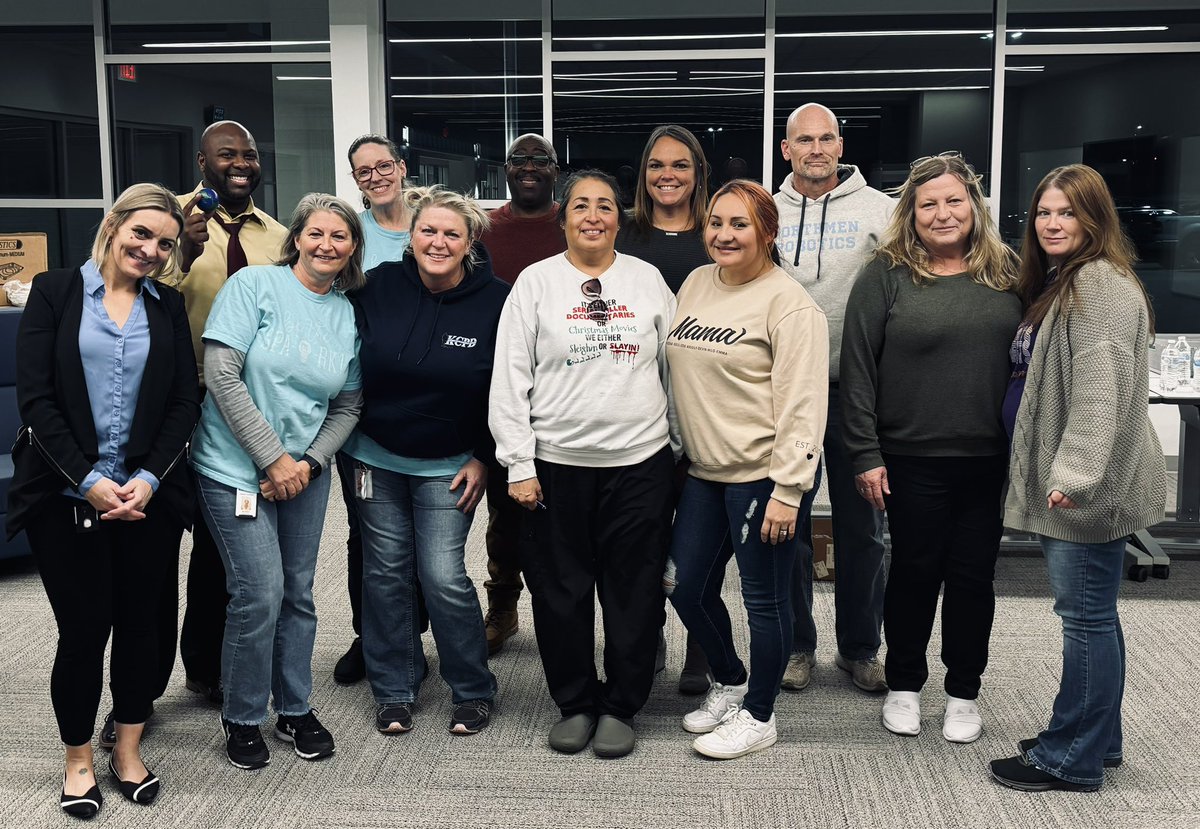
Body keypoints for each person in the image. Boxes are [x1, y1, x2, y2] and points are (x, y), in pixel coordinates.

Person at [7, 183, 201, 817]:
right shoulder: (55, 291)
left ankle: (127, 746)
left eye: (164, 243)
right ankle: (78, 759)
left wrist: (146, 478)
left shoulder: (166, 306)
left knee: (143, 627)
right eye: (141, 234)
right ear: (114, 225)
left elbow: (181, 402)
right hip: (66, 494)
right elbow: (36, 400)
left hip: (147, 495)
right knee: (85, 629)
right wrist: (90, 479)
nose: (150, 250)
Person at [990, 165, 1168, 792]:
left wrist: (1075, 475)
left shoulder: (1098, 286)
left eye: (1067, 212)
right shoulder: (1068, 281)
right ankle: (1099, 738)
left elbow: (1101, 393)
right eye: (1044, 212)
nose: (1052, 223)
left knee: (1085, 618)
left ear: (1096, 219)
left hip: (1084, 489)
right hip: (1071, 482)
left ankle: (1070, 758)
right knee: (1095, 615)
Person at [490, 169, 677, 759]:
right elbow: (508, 379)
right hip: (554, 466)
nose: (593, 215)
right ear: (563, 217)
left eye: (604, 206)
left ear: (619, 217)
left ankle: (622, 704)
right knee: (560, 590)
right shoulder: (535, 283)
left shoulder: (646, 280)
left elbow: (676, 372)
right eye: (580, 206)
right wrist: (517, 464)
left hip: (639, 463)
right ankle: (575, 702)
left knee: (634, 589)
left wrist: (676, 449)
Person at [840, 152, 1022, 743]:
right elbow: (858, 369)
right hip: (909, 458)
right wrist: (864, 452)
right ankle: (904, 685)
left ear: (974, 205)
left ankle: (964, 692)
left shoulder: (1009, 274)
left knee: (973, 578)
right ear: (910, 214)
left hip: (986, 460)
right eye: (928, 204)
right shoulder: (886, 275)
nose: (942, 213)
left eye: (953, 200)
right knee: (915, 571)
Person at [190, 193, 364, 770]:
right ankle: (242, 717)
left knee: (298, 594)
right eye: (317, 233)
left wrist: (308, 465)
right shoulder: (254, 286)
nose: (327, 245)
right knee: (258, 593)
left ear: (353, 249)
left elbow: (348, 404)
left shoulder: (346, 312)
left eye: (340, 237)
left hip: (304, 476)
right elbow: (220, 372)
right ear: (297, 238)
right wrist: (272, 460)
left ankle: (294, 707)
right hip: (233, 469)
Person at [667, 180, 829, 760]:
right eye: (716, 222)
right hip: (704, 473)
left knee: (764, 599)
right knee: (685, 587)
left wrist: (790, 489)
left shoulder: (790, 304)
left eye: (739, 224)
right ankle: (731, 679)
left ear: (768, 231)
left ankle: (760, 713)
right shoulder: (695, 282)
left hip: (764, 476)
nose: (724, 234)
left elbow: (804, 404)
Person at [343, 185, 507, 736]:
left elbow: (508, 388)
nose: (438, 242)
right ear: (410, 237)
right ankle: (395, 686)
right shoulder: (375, 285)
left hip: (451, 464)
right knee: (386, 576)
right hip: (373, 458)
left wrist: (485, 457)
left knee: (442, 576)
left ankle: (473, 687)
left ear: (470, 242)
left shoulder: (497, 301)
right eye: (427, 231)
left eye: (451, 234)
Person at [159, 120, 288, 712]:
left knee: (222, 542)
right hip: (171, 402)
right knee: (161, 541)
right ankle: (143, 684)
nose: (240, 163)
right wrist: (181, 247)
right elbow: (144, 294)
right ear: (201, 162)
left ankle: (208, 666)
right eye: (226, 154)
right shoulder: (166, 224)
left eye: (249, 153)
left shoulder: (279, 238)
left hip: (241, 407)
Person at [774, 102, 896, 695]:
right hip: (785, 394)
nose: (816, 149)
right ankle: (799, 646)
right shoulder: (764, 212)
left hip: (859, 393)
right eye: (805, 140)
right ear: (786, 149)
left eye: (827, 139)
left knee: (864, 527)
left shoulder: (884, 213)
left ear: (841, 146)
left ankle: (860, 648)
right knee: (788, 524)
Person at [615, 124, 714, 693]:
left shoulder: (717, 234)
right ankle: (643, 641)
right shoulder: (623, 237)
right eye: (657, 165)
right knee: (642, 541)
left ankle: (700, 650)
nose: (668, 175)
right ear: (644, 174)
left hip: (707, 411)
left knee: (699, 542)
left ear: (698, 172)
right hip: (638, 413)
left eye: (681, 164)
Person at [475, 133, 566, 658]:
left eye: (540, 160)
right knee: (505, 513)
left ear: (556, 170)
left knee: (559, 512)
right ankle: (503, 606)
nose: (529, 167)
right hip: (500, 386)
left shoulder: (572, 224)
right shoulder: (485, 229)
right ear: (505, 169)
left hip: (563, 390)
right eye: (519, 160)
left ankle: (560, 606)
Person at [332, 134, 415, 685]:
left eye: (384, 165)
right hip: (360, 405)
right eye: (364, 172)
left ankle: (411, 637)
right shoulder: (351, 238)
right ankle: (372, 636)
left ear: (402, 167)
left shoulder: (433, 224)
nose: (376, 177)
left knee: (422, 533)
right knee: (367, 531)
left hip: (425, 403)